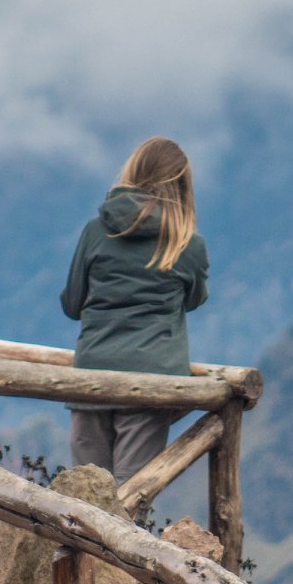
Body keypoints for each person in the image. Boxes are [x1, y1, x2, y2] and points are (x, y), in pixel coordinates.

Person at [61, 136, 209, 484]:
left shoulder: (95, 232)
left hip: (92, 376)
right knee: (132, 492)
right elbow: (194, 299)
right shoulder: (187, 243)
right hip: (151, 379)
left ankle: (79, 541)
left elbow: (72, 304)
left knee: (85, 490)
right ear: (182, 185)